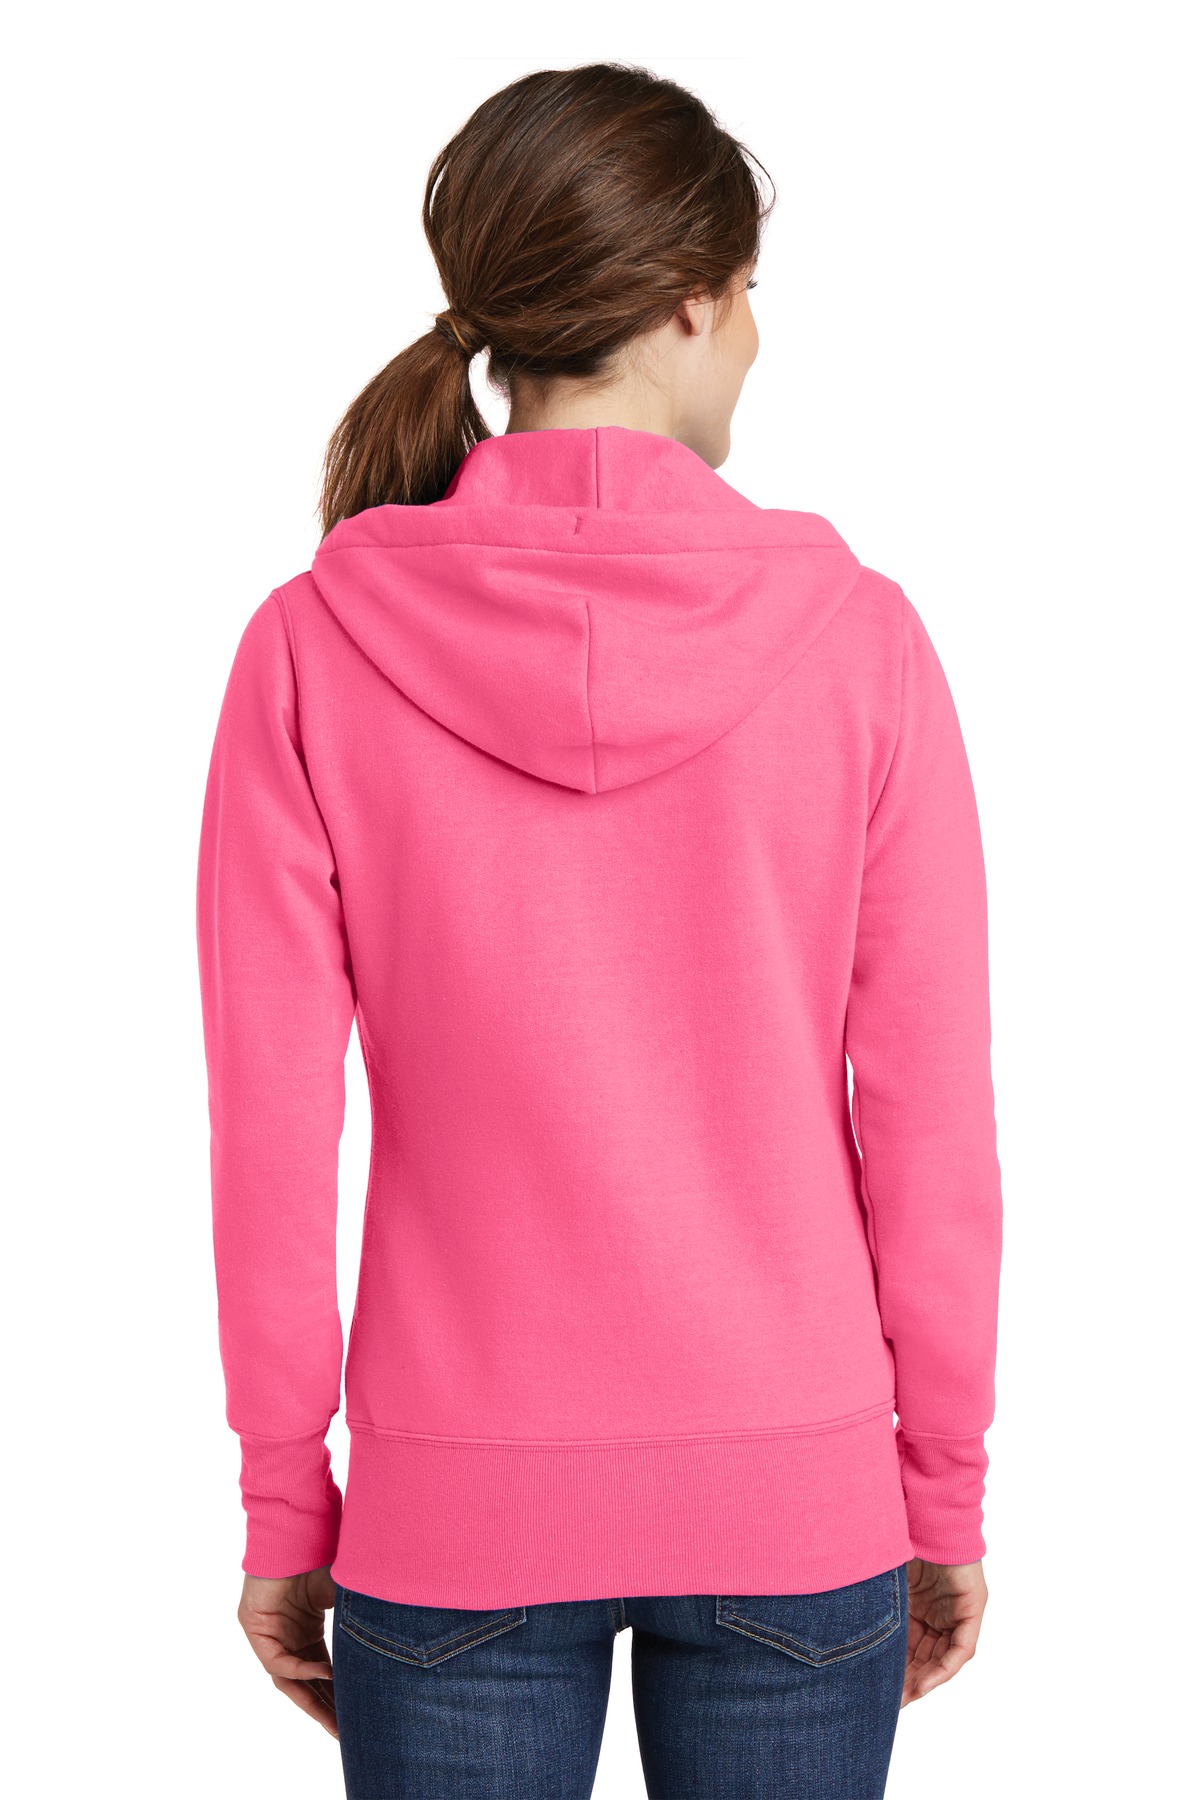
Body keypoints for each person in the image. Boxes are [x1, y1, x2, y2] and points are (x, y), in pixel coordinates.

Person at [195, 61, 1003, 1800]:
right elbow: (932, 1122)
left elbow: (270, 1131)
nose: (758, 340)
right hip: (796, 1504)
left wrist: (283, 1502)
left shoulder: (313, 647)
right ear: (692, 300)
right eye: (752, 294)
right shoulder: (861, 646)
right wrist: (938, 1489)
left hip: (448, 1515)